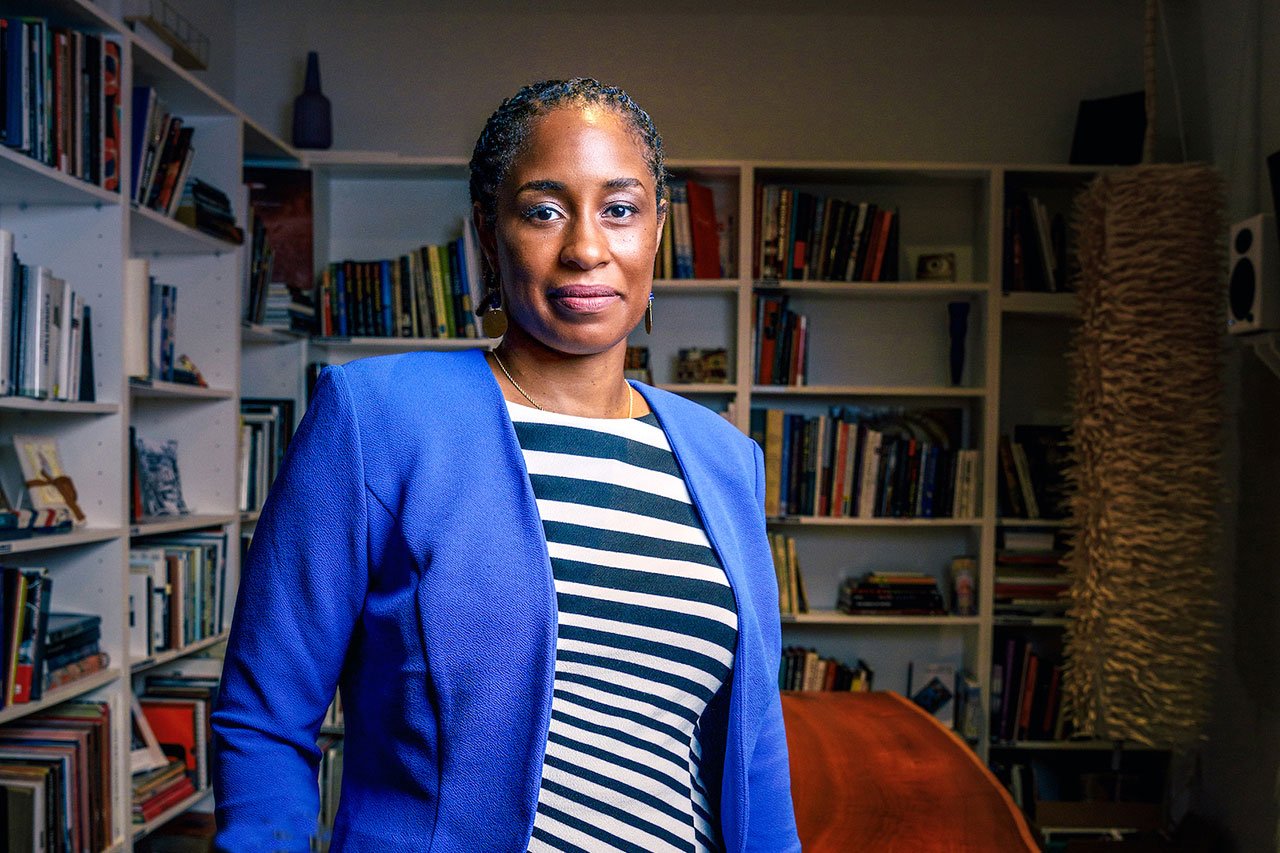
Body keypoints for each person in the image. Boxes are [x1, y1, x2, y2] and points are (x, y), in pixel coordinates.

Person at [211, 78, 800, 853]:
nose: (587, 246)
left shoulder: (726, 459)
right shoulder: (379, 416)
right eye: (544, 209)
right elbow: (264, 715)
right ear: (490, 233)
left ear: (656, 230)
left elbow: (755, 757)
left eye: (620, 209)